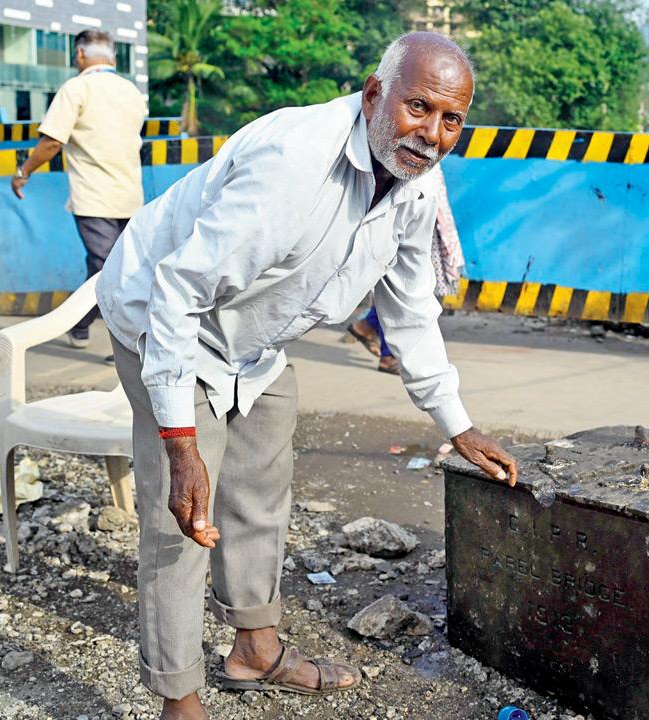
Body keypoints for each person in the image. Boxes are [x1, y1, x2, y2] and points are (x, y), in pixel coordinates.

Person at [95, 32, 518, 720]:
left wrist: (458, 424)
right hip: (165, 317)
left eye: (451, 120)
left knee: (260, 490)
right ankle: (178, 698)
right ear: (375, 94)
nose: (433, 133)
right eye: (419, 108)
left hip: (256, 340)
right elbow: (178, 291)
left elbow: (409, 312)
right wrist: (181, 442)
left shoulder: (416, 181)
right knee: (184, 516)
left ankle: (254, 648)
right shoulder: (294, 164)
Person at [11, 29, 148, 352]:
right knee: (111, 267)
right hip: (129, 194)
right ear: (112, 56)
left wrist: (23, 171)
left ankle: (129, 344)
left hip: (94, 195)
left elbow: (52, 142)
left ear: (80, 55)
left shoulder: (76, 88)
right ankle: (82, 327)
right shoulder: (131, 92)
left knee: (108, 271)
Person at [348, 168, 463, 373]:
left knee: (411, 290)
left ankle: (367, 327)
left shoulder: (429, 162)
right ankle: (388, 354)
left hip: (427, 225)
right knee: (400, 290)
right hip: (403, 225)